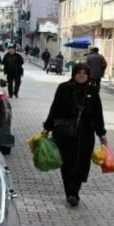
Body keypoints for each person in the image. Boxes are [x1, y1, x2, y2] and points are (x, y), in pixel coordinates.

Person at [43, 63, 107, 207]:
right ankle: (71, 193)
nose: (81, 75)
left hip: (86, 133)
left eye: (84, 73)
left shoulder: (92, 91)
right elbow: (55, 108)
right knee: (68, 163)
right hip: (65, 132)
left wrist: (101, 133)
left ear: (88, 75)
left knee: (82, 163)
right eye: (79, 72)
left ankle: (75, 189)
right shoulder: (63, 88)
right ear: (74, 74)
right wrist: (48, 127)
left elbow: (98, 113)